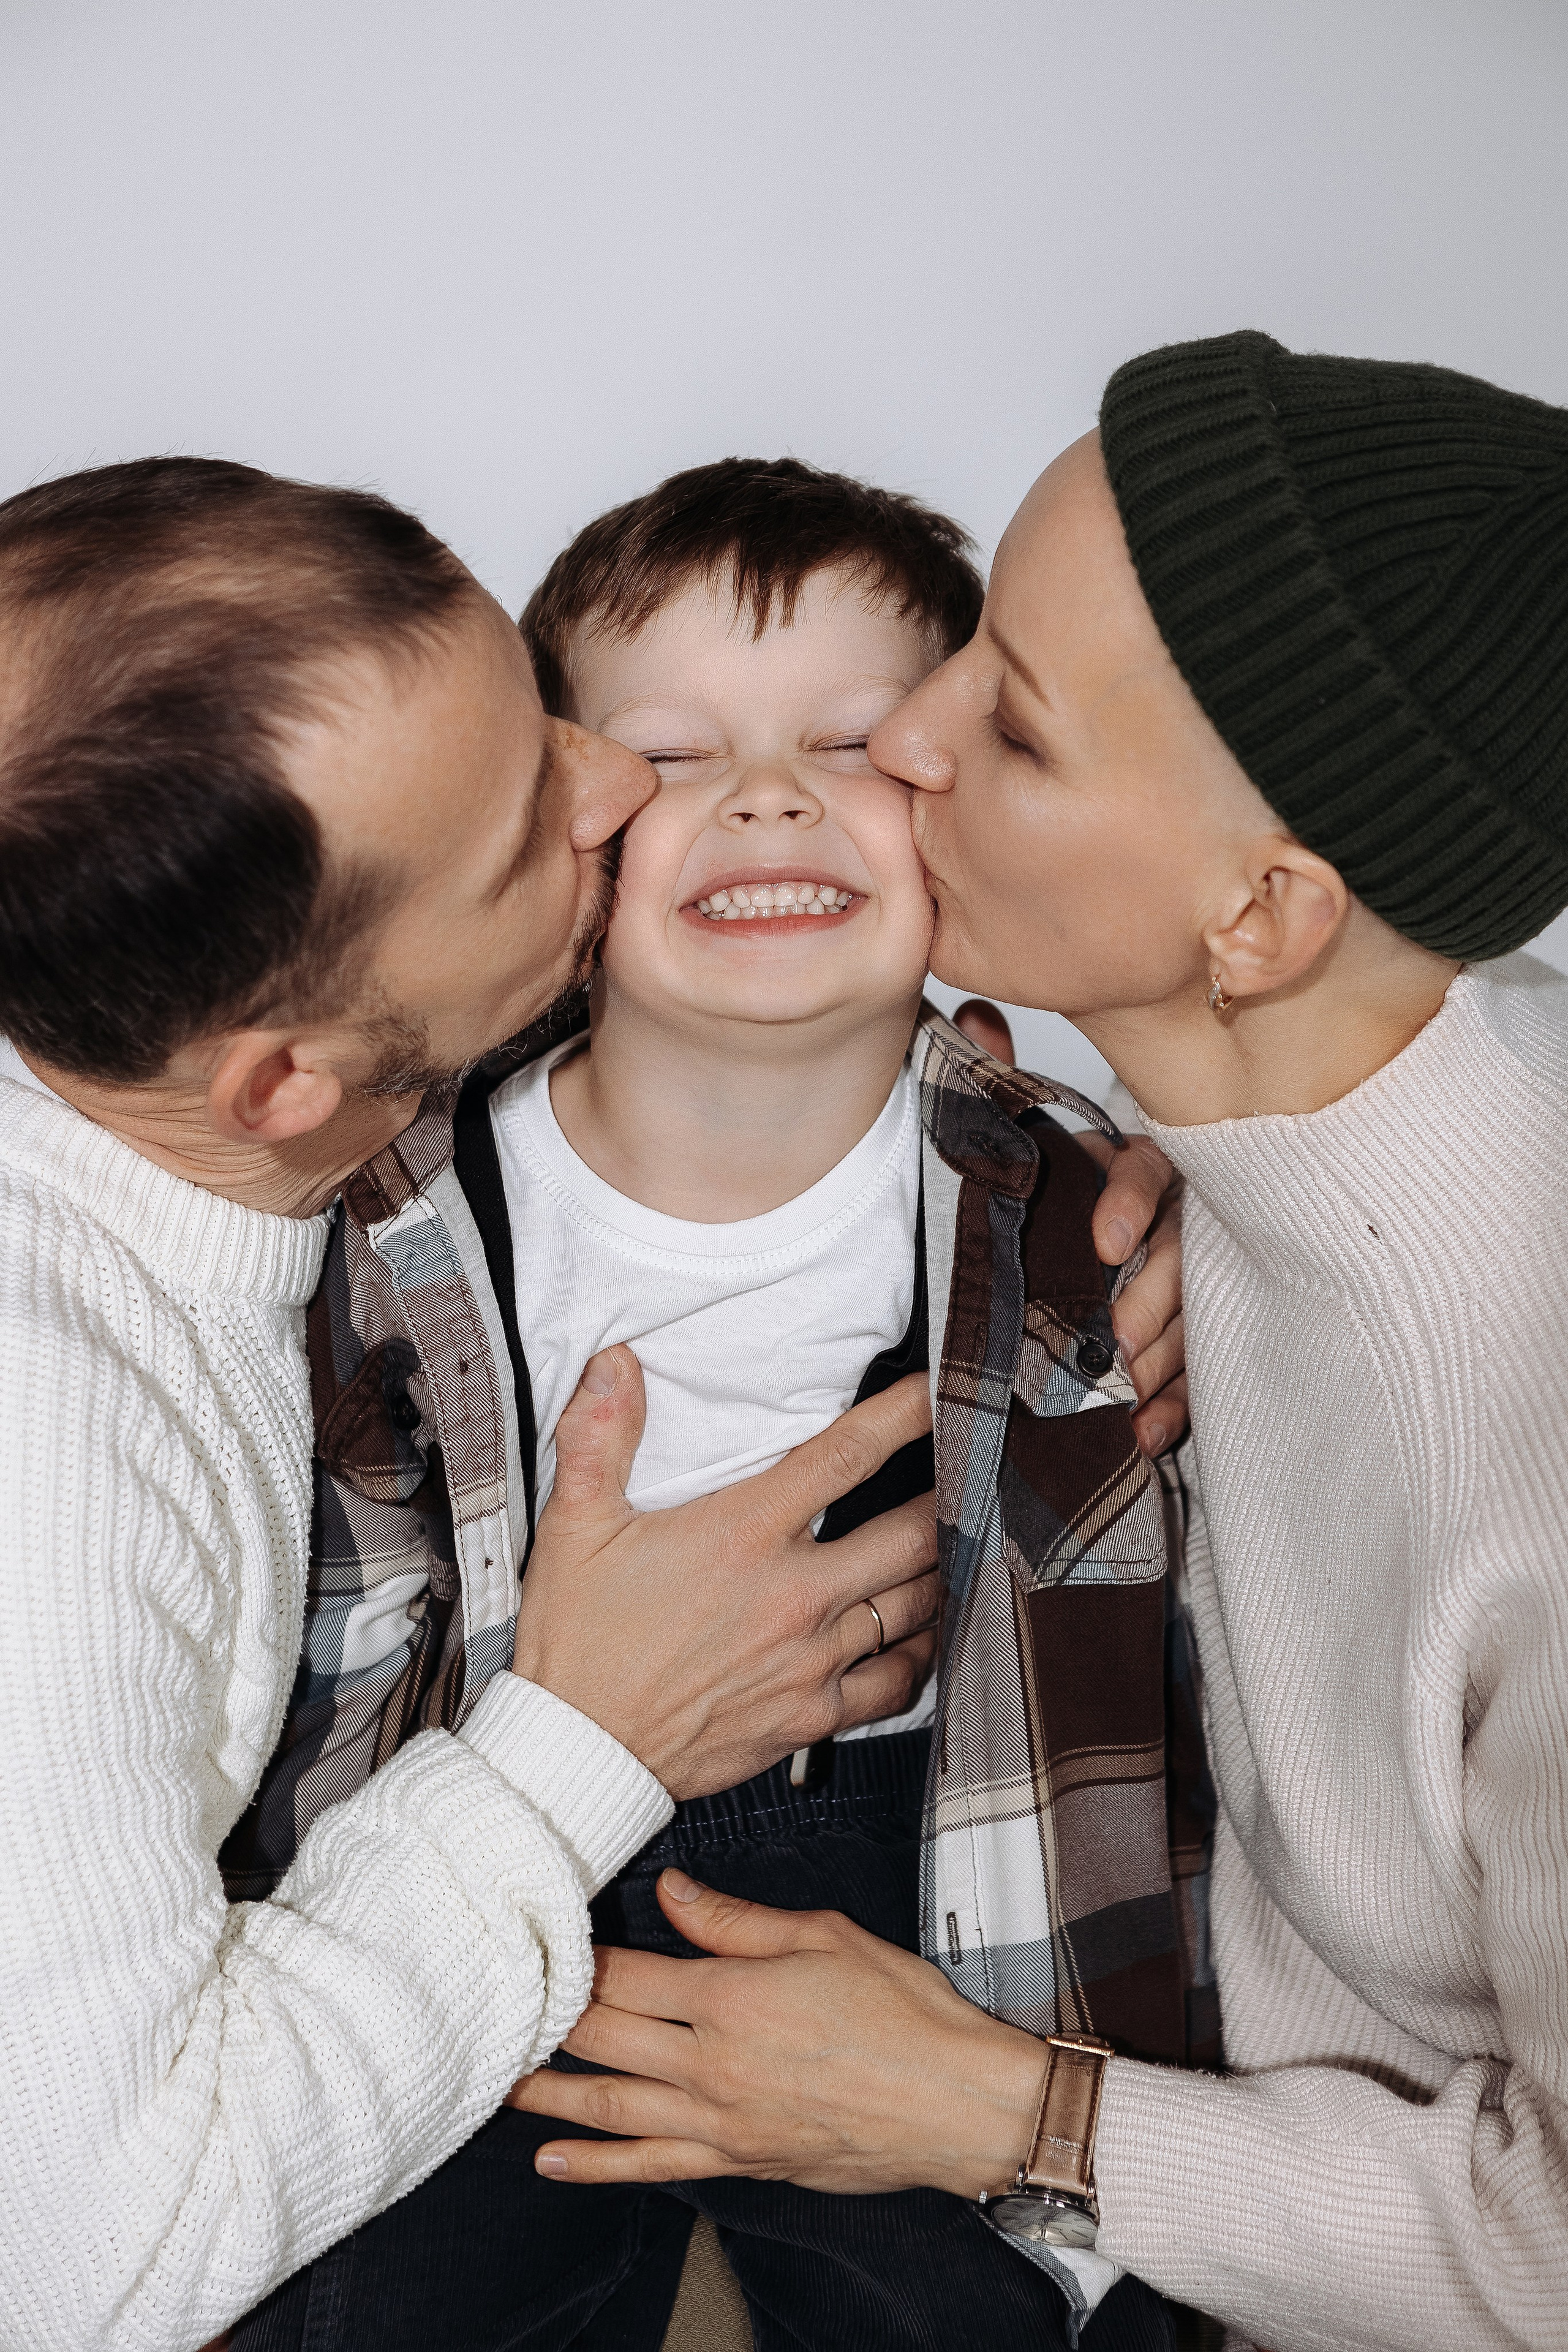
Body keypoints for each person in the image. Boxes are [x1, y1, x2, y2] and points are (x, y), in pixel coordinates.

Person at [513, 334, 1568, 2352]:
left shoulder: (1533, 1414)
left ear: (1257, 921)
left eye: (1011, 723)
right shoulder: (1174, 1166)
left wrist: (1001, 2112)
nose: (895, 737)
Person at [0, 454, 967, 2352]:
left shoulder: (246, 1109)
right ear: (287, 1080)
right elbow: (85, 2268)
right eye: (537, 823)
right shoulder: (50, 1469)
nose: (625, 788)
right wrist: (580, 1734)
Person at [232, 459, 1199, 2352]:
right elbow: (333, 1647)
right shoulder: (389, 1202)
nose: (767, 794)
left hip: (933, 1902)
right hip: (494, 1883)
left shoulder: (1084, 1213)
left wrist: (1213, 1240)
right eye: (672, 757)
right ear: (564, 832)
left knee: (1009, 2327)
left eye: (852, 740)